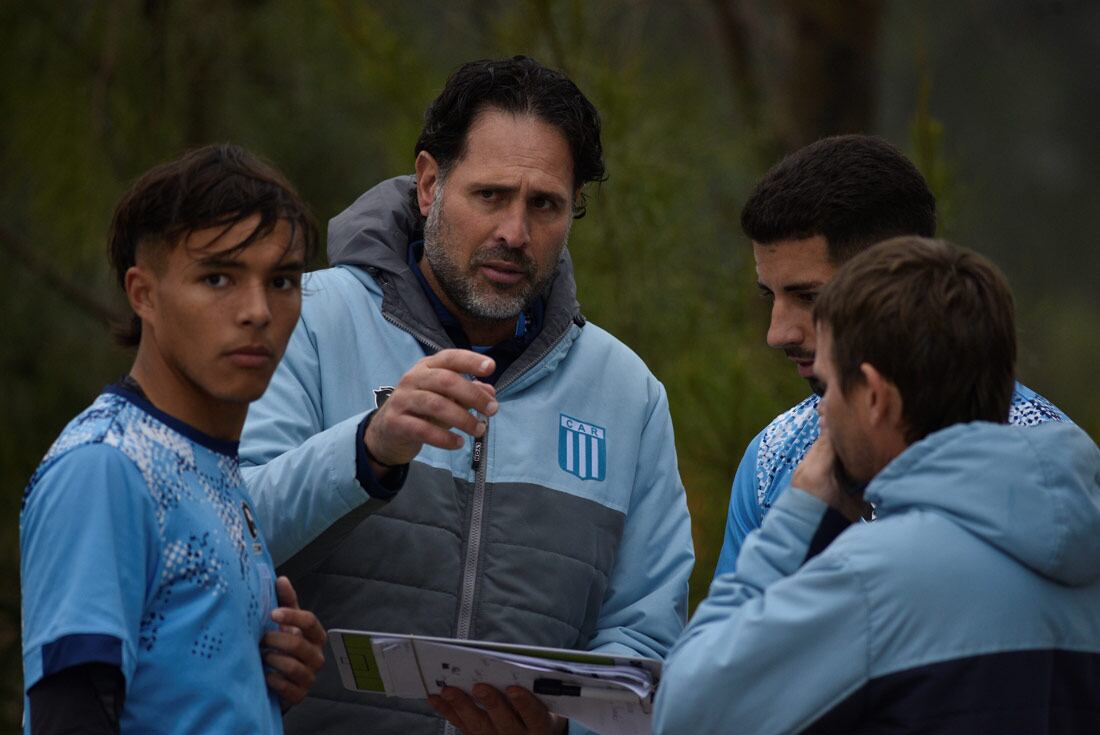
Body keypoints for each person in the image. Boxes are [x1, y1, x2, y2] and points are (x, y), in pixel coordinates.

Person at [240, 56, 694, 734]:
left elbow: (647, 636)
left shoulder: (629, 393)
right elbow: (226, 538)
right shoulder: (303, 319)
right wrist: (366, 450)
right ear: (429, 184)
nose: (515, 232)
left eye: (545, 205)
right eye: (490, 195)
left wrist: (566, 729)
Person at [654, 237, 1100, 734]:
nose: (822, 411)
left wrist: (795, 520)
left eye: (829, 387)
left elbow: (689, 709)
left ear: (874, 397)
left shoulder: (875, 579)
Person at [20, 144, 328, 734]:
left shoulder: (214, 464)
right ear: (144, 295)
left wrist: (262, 681)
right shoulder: (106, 466)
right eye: (219, 277)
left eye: (283, 280)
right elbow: (72, 714)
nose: (258, 310)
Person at [713, 135, 1068, 574]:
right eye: (771, 296)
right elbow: (728, 641)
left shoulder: (1048, 471)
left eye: (809, 297)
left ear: (896, 279)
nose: (777, 333)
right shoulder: (772, 459)